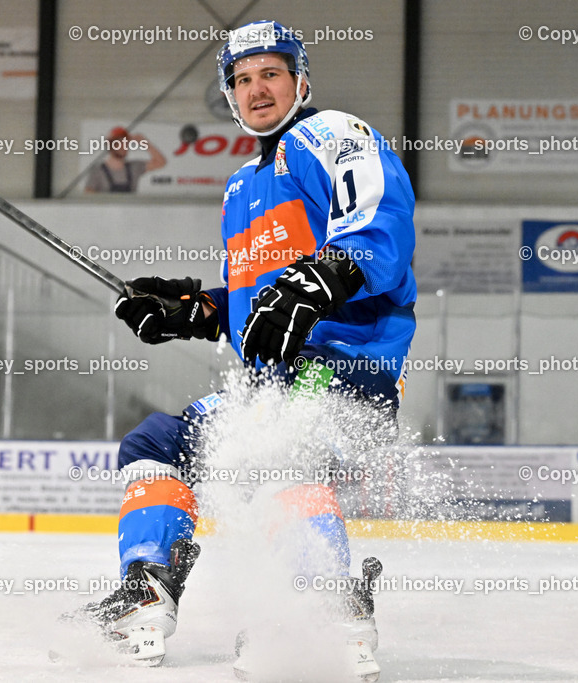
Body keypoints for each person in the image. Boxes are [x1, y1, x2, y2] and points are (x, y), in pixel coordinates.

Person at [74, 20, 416, 681]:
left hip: (348, 364)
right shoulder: (240, 188)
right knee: (155, 443)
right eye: (241, 79)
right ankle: (146, 594)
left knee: (280, 448)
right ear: (229, 96)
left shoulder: (332, 136)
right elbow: (256, 308)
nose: (256, 89)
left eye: (271, 74)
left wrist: (327, 276)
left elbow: (381, 226)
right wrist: (192, 310)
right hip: (274, 383)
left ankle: (325, 610)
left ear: (301, 80)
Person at [84, 126, 166, 193]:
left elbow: (161, 162)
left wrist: (145, 143)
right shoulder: (97, 171)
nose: (123, 146)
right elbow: (88, 199)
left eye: (126, 142)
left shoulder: (134, 167)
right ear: (110, 145)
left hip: (130, 213)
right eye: (118, 143)